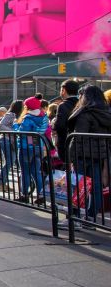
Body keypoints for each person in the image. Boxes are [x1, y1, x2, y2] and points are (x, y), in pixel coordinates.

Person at [65, 85, 111, 224]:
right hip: (99, 156)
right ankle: (91, 218)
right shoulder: (106, 113)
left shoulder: (85, 114)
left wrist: (71, 158)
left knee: (78, 186)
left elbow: (77, 138)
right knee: (96, 187)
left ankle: (75, 218)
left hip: (82, 156)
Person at [13, 97, 48, 205]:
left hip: (26, 147)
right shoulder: (44, 117)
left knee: (25, 172)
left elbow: (22, 133)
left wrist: (15, 125)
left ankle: (24, 195)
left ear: (27, 107)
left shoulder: (28, 118)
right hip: (38, 146)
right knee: (36, 171)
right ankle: (41, 195)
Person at [0, 100, 22, 193]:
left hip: (9, 141)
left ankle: (3, 183)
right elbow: (0, 126)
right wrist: (14, 131)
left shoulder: (15, 116)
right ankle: (1, 183)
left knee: (9, 162)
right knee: (9, 162)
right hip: (7, 140)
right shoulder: (10, 115)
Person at [54, 79, 80, 164]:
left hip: (66, 142)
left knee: (68, 167)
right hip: (81, 143)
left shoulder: (63, 105)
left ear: (64, 90)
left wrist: (54, 124)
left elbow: (60, 126)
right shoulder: (82, 104)